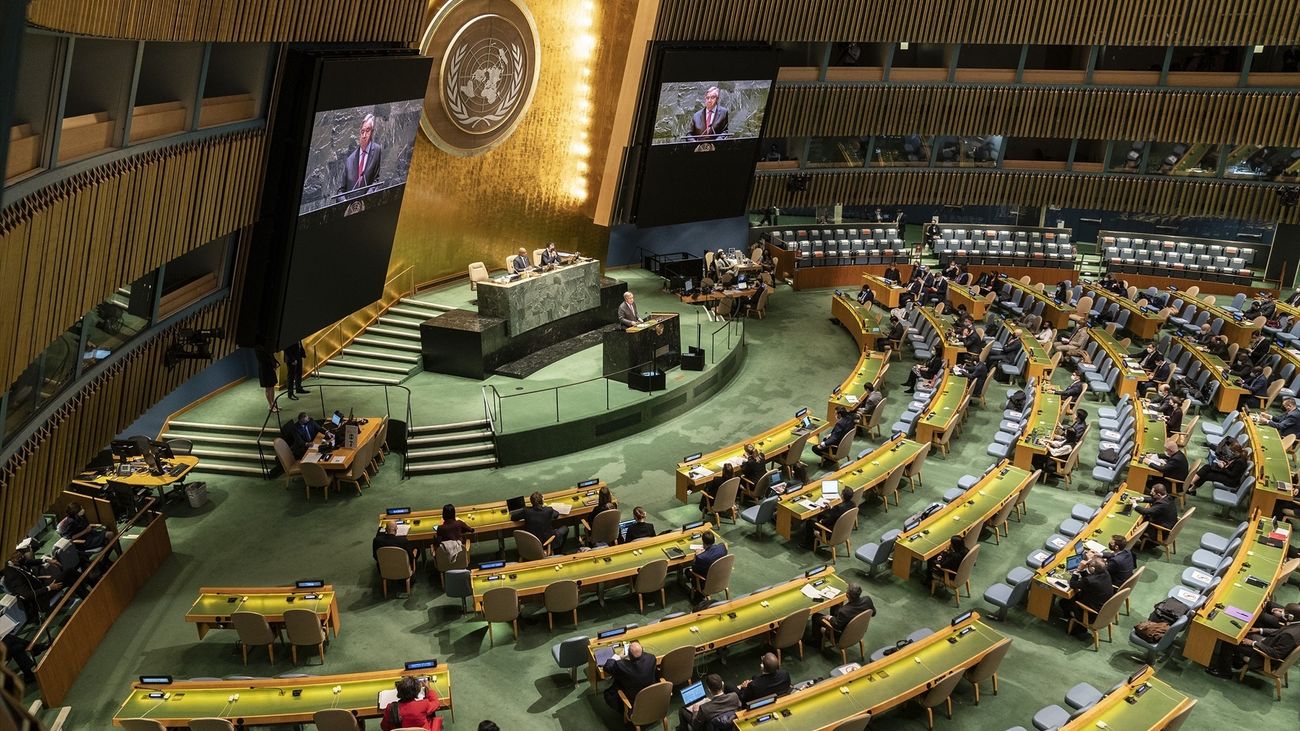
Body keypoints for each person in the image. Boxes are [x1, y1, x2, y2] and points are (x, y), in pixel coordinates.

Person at [1208, 611, 1300, 679]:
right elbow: (1279, 632)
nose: (1282, 613)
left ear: (1291, 616)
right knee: (1245, 634)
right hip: (1267, 643)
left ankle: (1224, 671)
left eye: (1285, 612)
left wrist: (1253, 643)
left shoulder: (1289, 635)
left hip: (1262, 656)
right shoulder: (1296, 625)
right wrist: (1259, 630)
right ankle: (1238, 661)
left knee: (1230, 640)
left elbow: (1276, 654)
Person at [1062, 558, 1114, 636]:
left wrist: (1077, 570)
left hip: (1090, 614)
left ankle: (1076, 624)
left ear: (1093, 568)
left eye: (1089, 565)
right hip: (1102, 610)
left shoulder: (1089, 581)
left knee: (1064, 602)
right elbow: (1091, 578)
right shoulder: (1106, 573)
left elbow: (1073, 584)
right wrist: (1083, 570)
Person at [602, 641, 657, 712]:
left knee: (610, 693)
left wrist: (618, 656)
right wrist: (638, 651)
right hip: (652, 701)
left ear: (629, 655)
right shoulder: (652, 658)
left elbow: (607, 667)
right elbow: (645, 656)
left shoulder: (622, 666)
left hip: (633, 706)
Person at [339, 113, 382, 194]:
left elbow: (376, 179)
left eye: (367, 130)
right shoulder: (350, 160)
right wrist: (344, 202)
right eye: (362, 132)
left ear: (372, 132)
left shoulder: (377, 150)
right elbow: (340, 191)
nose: (364, 135)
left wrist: (368, 195)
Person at [803, 485, 856, 549]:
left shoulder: (839, 508)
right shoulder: (853, 504)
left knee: (809, 522)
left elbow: (827, 522)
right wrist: (831, 508)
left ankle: (809, 544)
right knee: (821, 515)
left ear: (842, 495)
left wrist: (821, 521)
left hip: (831, 533)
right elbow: (838, 514)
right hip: (843, 530)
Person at [256, 347, 279, 412]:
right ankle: (270, 405)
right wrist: (272, 365)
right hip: (264, 369)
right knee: (268, 387)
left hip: (270, 368)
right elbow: (264, 359)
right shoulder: (258, 348)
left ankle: (273, 404)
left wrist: (275, 363)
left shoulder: (267, 345)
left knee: (272, 386)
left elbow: (271, 355)